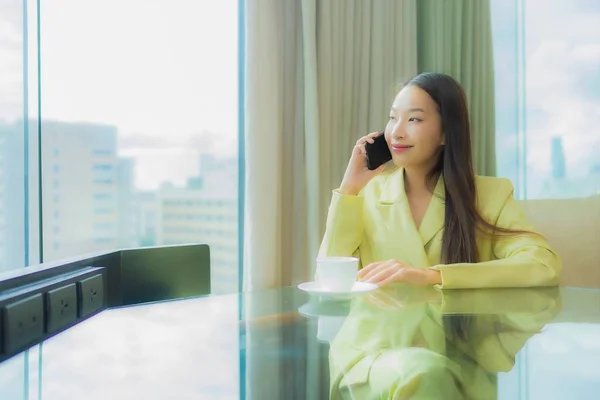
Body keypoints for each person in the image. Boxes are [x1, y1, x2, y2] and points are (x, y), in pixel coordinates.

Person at [318, 72, 561, 289]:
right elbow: (328, 281)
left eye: (414, 119)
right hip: (382, 337)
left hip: (457, 336)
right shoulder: (365, 194)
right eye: (393, 118)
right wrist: (348, 189)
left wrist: (435, 276)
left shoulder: (489, 195)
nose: (397, 132)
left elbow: (542, 265)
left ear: (446, 133)